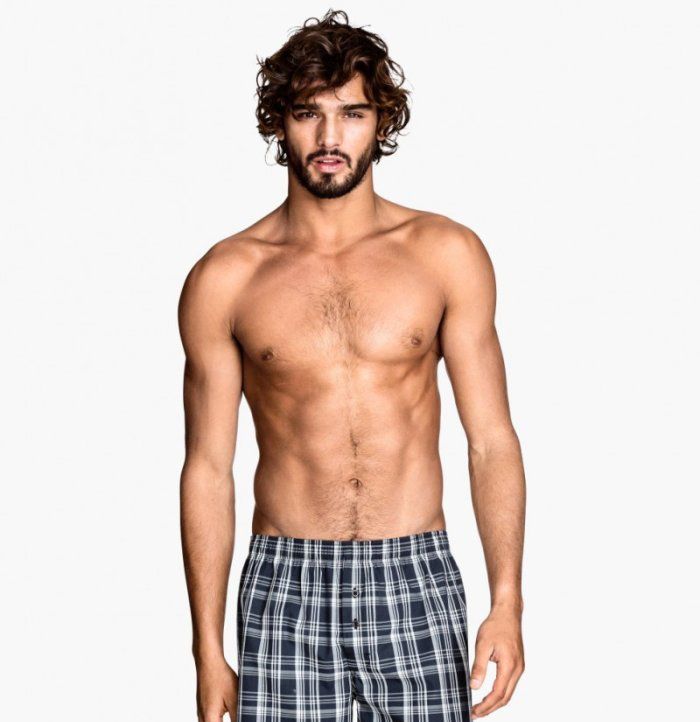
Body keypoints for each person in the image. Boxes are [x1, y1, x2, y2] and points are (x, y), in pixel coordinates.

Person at [178, 9, 525, 722]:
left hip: (416, 573)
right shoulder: (226, 278)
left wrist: (507, 600)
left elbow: (491, 440)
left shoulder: (445, 254)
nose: (330, 138)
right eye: (309, 113)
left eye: (353, 113)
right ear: (279, 123)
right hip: (286, 583)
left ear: (381, 123)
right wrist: (207, 651)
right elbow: (208, 468)